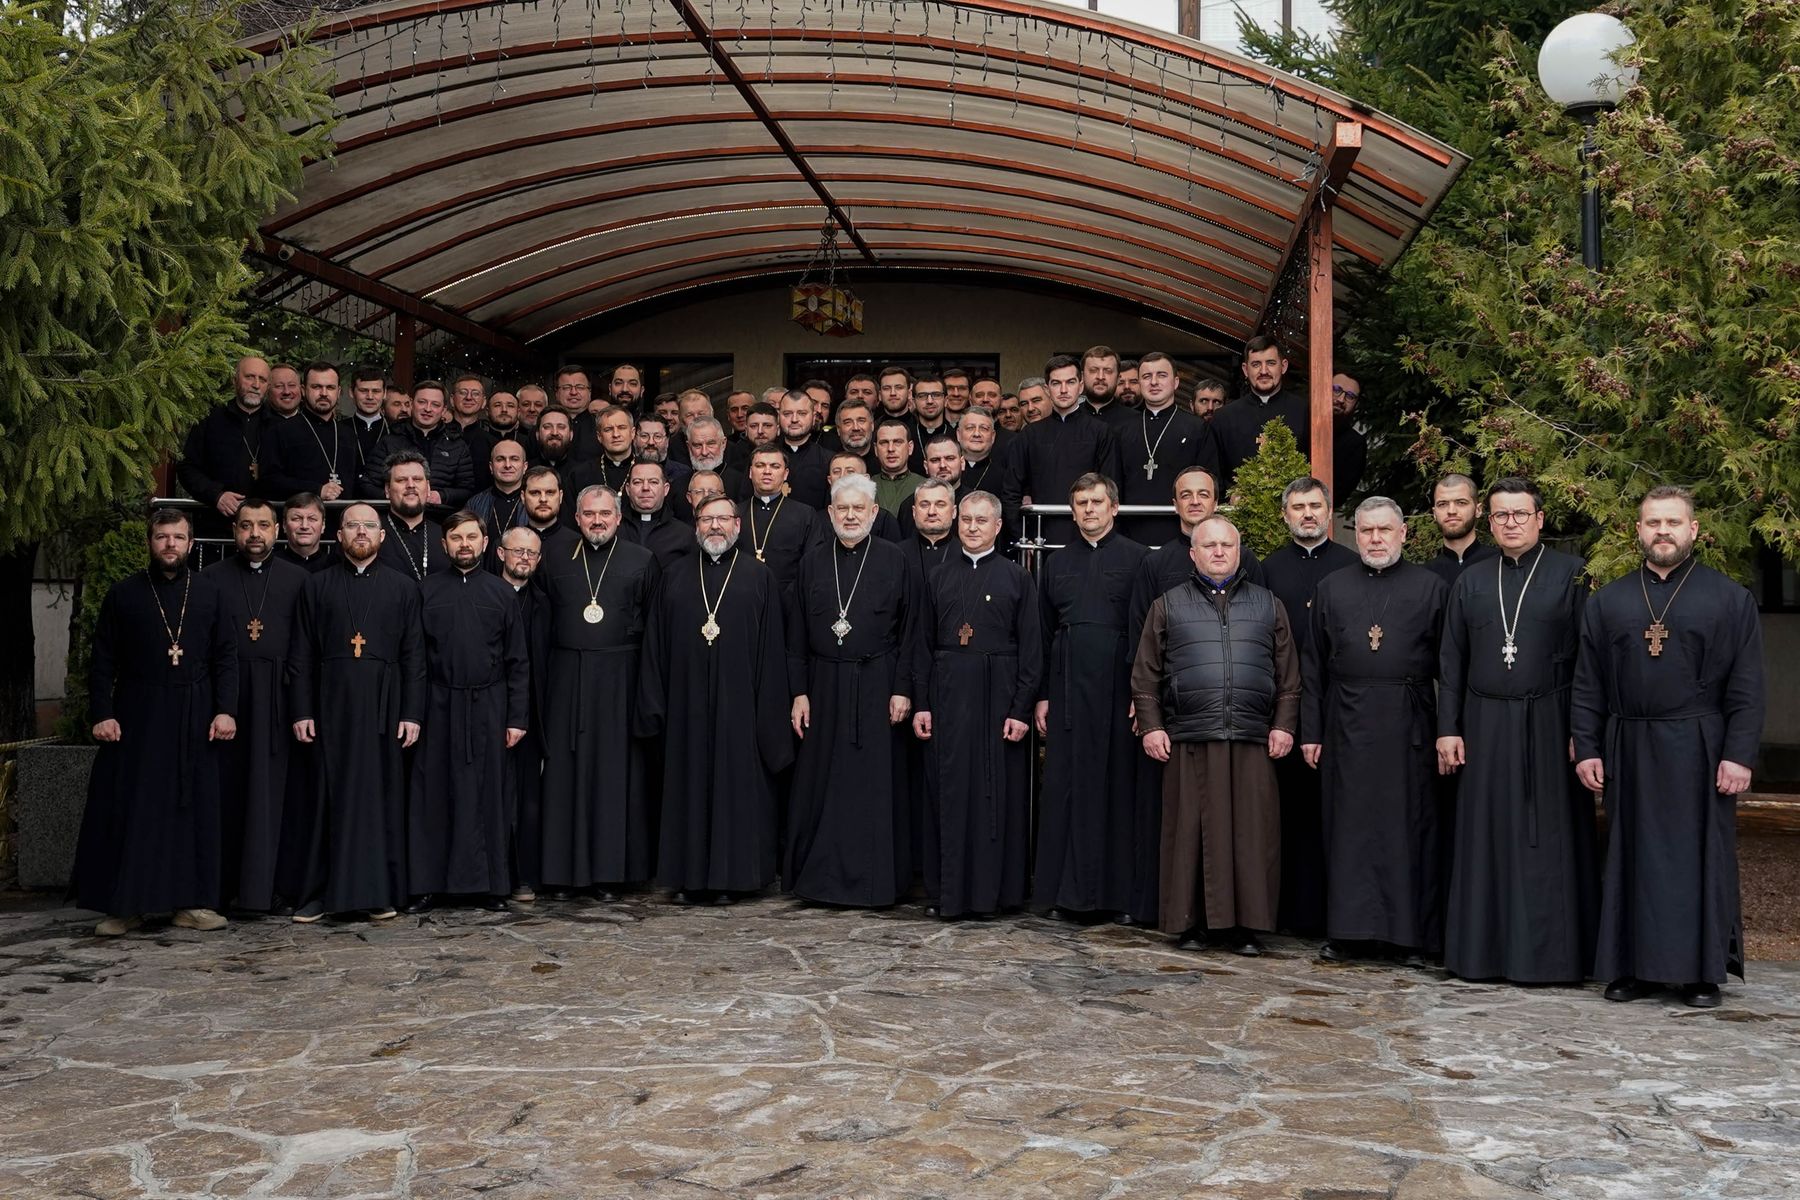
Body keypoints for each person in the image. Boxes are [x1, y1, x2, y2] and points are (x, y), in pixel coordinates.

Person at [1573, 486, 1764, 1008]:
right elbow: (1587, 683)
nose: (1663, 531)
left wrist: (1739, 753)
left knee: (1697, 858)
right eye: (1653, 522)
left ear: (1693, 530)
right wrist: (1587, 746)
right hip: (1628, 742)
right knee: (1628, 855)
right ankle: (1631, 969)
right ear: (1638, 531)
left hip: (1701, 746)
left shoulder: (1729, 599)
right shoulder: (1608, 601)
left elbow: (1747, 685)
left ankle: (1700, 972)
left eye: (1673, 523)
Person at [1437, 477, 1597, 984]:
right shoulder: (1472, 581)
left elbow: (1588, 663)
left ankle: (1551, 958)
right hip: (1482, 726)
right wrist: (1448, 728)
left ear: (1540, 519)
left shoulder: (1572, 575)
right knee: (1485, 839)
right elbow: (1450, 662)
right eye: (1501, 515)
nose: (1510, 523)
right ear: (1490, 521)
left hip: (1549, 722)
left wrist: (1582, 731)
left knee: (1546, 839)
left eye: (1520, 514)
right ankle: (1482, 956)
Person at [1133, 517, 1298, 955]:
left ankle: (1246, 927)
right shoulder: (1167, 605)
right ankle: (1191, 925)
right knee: (1191, 834)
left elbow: (1290, 678)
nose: (1219, 552)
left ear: (1240, 551)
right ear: (1194, 553)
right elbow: (1145, 676)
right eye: (1209, 545)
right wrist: (1151, 726)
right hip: (1191, 735)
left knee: (1251, 835)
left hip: (1251, 737)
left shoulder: (1268, 605)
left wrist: (1284, 724)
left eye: (1227, 544)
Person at [73, 510, 237, 935]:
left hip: (196, 711)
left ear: (190, 543)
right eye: (162, 537)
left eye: (178, 538)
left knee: (192, 807)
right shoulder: (124, 594)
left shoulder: (209, 593)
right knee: (136, 807)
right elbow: (102, 661)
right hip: (138, 711)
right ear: (150, 542)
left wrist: (226, 709)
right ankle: (126, 905)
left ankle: (192, 903)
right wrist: (103, 713)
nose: (170, 545)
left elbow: (225, 657)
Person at [1301, 497, 1448, 965]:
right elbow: (1311, 667)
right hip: (1344, 722)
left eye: (1385, 530)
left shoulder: (1431, 587)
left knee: (1410, 829)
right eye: (1366, 531)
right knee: (1348, 829)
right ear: (1354, 534)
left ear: (1403, 533)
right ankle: (1347, 933)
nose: (1376, 539)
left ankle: (1409, 938)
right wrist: (1310, 731)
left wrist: (1449, 730)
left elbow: (1450, 667)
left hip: (1410, 723)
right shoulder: (1331, 587)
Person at [636, 496, 795, 902]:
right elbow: (654, 646)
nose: (715, 526)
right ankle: (689, 879)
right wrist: (654, 705)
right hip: (684, 706)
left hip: (741, 708)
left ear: (738, 525)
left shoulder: (759, 577)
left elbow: (773, 650)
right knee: (687, 789)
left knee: (736, 790)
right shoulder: (673, 575)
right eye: (708, 519)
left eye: (723, 518)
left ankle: (735, 879)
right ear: (696, 525)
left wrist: (768, 712)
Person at [785, 474, 923, 907]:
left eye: (858, 509)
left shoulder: (895, 559)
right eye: (842, 508)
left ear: (873, 513)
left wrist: (902, 690)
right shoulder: (811, 561)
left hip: (877, 683)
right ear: (830, 513)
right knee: (823, 785)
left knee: (873, 786)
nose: (849, 516)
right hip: (824, 685)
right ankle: (820, 882)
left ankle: (874, 883)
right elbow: (797, 636)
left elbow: (911, 632)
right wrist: (799, 691)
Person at [288, 503, 425, 922]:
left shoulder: (403, 588)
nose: (361, 532)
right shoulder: (316, 586)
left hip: (385, 708)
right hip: (329, 706)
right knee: (324, 800)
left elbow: (414, 656)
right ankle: (317, 894)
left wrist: (412, 713)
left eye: (370, 526)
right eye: (352, 526)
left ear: (382, 537)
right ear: (339, 534)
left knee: (380, 799)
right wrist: (302, 709)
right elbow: (301, 654)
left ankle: (379, 893)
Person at [912, 491, 1042, 919]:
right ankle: (946, 893)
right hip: (948, 699)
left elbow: (1032, 651)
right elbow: (922, 646)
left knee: (996, 796)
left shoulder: (1017, 578)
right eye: (965, 518)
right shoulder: (936, 575)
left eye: (981, 520)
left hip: (999, 702)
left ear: (998, 526)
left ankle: (996, 895)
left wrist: (1021, 710)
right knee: (946, 794)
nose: (971, 527)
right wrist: (923, 704)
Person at [1033, 473, 1151, 924]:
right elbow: (1042, 633)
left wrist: (1142, 696)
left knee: (1119, 788)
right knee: (1067, 787)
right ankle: (1068, 894)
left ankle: (1118, 897)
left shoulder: (1139, 560)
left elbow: (1147, 633)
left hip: (1120, 690)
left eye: (1096, 502)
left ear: (1114, 507)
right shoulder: (1056, 564)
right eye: (1080, 502)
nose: (1088, 509)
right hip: (1066, 691)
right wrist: (1042, 696)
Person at [535, 485, 661, 900]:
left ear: (618, 518)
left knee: (614, 777)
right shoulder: (553, 558)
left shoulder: (641, 560)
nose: (597, 520)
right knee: (563, 776)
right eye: (589, 514)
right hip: (566, 678)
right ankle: (561, 872)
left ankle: (610, 873)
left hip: (619, 682)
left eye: (605, 513)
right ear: (577, 517)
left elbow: (652, 633)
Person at [406, 511, 530, 913]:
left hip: (490, 706)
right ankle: (428, 885)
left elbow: (517, 662)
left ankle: (493, 886)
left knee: (489, 796)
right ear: (444, 546)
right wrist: (415, 713)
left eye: (471, 537)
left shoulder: (501, 593)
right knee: (433, 796)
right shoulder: (424, 592)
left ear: (484, 542)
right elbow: (415, 660)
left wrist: (516, 718)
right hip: (438, 705)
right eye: (456, 538)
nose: (464, 544)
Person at [1259, 475, 1358, 935]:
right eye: (1298, 507)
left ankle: (1330, 912)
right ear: (1285, 515)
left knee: (1333, 811)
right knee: (1283, 810)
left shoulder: (1352, 566)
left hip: (1338, 707)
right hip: (1279, 706)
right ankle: (1286, 912)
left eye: (1315, 505)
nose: (1308, 514)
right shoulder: (1266, 569)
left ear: (1329, 510)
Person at [205, 500, 308, 914]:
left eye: (263, 525)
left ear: (277, 529)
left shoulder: (299, 579)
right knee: (228, 795)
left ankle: (273, 889)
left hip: (279, 700)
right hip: (229, 700)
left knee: (277, 796)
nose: (254, 534)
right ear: (234, 532)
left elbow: (305, 650)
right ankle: (223, 888)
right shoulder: (210, 579)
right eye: (246, 525)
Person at [1001, 356, 1121, 545]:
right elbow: (1011, 492)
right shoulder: (1029, 435)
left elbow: (1110, 488)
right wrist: (1022, 538)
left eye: (1070, 382)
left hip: (1091, 537)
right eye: (1056, 383)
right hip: (1040, 539)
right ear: (1048, 389)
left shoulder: (1101, 431)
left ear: (1080, 386)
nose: (1063, 390)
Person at [1115, 351, 1218, 546]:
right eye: (1146, 377)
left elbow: (1210, 480)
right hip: (1130, 534)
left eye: (1161, 375)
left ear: (1176, 382)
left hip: (1182, 534)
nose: (1154, 382)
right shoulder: (1122, 429)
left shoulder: (1196, 428)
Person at [496, 527, 549, 903]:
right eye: (518, 551)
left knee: (528, 801)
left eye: (532, 553)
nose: (524, 558)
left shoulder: (546, 604)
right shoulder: (484, 594)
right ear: (500, 554)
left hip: (531, 715)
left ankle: (524, 876)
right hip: (487, 708)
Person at [178, 357, 269, 537]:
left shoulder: (277, 424)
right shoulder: (211, 419)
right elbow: (187, 467)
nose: (256, 385)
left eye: (263, 379)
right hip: (215, 527)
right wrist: (216, 494)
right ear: (234, 380)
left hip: (263, 532)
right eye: (250, 377)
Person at [1208, 336, 1310, 497]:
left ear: (1283, 367)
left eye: (1271, 363)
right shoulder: (1223, 417)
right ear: (1245, 370)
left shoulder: (1306, 412)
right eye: (1256, 364)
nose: (1264, 371)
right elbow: (1213, 469)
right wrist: (1231, 494)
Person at [359, 380, 475, 508]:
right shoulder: (389, 441)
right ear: (411, 404)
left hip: (441, 520)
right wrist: (396, 497)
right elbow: (367, 484)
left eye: (435, 404)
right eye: (422, 402)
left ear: (443, 410)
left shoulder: (457, 445)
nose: (428, 409)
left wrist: (442, 496)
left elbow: (468, 490)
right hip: (396, 518)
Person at [264, 361, 354, 502]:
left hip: (342, 519)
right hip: (301, 519)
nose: (324, 393)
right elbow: (269, 480)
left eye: (330, 387)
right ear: (304, 390)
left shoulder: (348, 434)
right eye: (316, 387)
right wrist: (316, 490)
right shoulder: (281, 431)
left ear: (339, 392)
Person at [743, 446, 819, 599]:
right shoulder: (734, 514)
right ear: (750, 472)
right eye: (760, 465)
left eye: (775, 466)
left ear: (785, 474)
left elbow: (812, 564)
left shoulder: (805, 514)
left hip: (789, 600)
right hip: (742, 597)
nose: (767, 471)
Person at [377, 451, 448, 581]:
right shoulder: (372, 535)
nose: (410, 485)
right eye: (401, 480)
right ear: (387, 490)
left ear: (428, 488)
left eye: (417, 479)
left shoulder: (445, 535)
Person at [466, 439, 532, 570]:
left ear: (525, 467)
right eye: (500, 459)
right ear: (491, 467)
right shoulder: (474, 504)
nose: (507, 465)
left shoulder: (534, 503)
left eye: (514, 459)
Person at [1424, 473, 1497, 586]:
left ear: (1478, 510)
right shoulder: (1425, 575)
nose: (1451, 511)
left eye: (1461, 503)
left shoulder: (1499, 565)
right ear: (1434, 513)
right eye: (1443, 504)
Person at [619, 460, 695, 567]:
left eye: (653, 482)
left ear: (666, 489)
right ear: (628, 489)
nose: (645, 488)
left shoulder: (685, 535)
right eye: (637, 482)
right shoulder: (614, 529)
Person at [778, 389, 833, 508]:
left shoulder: (828, 460)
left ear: (813, 417)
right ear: (778, 416)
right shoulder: (762, 456)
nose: (794, 419)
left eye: (802, 413)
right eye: (787, 414)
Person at [871, 418, 925, 515]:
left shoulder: (925, 486)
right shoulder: (865, 487)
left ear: (910, 447)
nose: (890, 449)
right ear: (875, 449)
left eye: (897, 442)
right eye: (884, 443)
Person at [277, 492, 336, 573]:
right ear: (284, 525)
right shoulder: (271, 566)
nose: (304, 526)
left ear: (323, 525)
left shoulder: (335, 567)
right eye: (296, 518)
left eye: (312, 519)